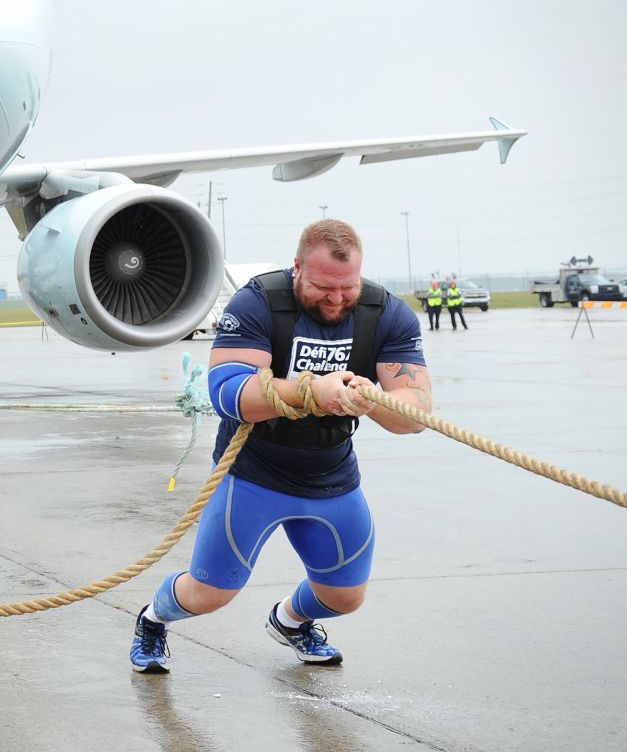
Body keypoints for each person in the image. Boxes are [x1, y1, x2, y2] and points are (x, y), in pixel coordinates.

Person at [129, 219, 433, 674]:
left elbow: (415, 414)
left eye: (346, 289)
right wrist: (312, 392)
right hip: (254, 471)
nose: (336, 300)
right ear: (297, 268)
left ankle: (291, 621)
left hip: (331, 474)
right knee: (210, 594)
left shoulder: (386, 313)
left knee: (345, 597)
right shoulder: (259, 302)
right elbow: (228, 392)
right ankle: (152, 621)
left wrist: (373, 399)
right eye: (322, 287)